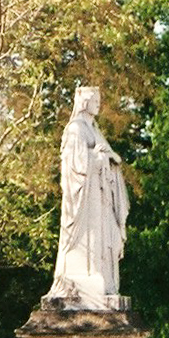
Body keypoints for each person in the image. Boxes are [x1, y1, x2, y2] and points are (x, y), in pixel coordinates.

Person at [48, 85, 129, 305]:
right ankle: (85, 282)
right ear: (84, 102)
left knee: (103, 235)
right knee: (91, 237)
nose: (99, 104)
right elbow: (77, 165)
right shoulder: (76, 129)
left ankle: (103, 279)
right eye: (95, 100)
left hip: (98, 193)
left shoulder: (93, 129)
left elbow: (103, 154)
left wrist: (111, 158)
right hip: (85, 197)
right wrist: (101, 158)